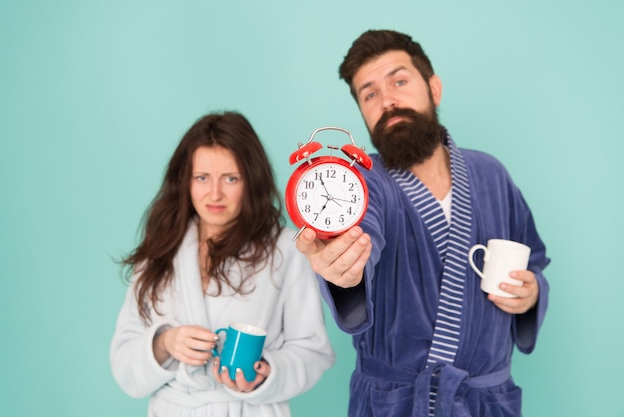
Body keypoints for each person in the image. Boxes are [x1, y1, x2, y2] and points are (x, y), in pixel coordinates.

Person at [295, 29, 550, 417]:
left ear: (434, 88)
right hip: (394, 404)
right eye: (370, 94)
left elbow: (533, 261)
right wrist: (344, 271)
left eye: (399, 81)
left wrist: (530, 296)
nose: (388, 101)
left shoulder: (491, 174)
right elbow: (361, 238)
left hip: (486, 403)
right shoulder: (362, 182)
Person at [110, 111, 335, 417]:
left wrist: (265, 375)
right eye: (202, 178)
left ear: (251, 181)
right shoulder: (161, 248)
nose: (214, 194)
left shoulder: (287, 249)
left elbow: (313, 350)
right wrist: (165, 343)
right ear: (185, 181)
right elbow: (124, 364)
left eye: (230, 178)